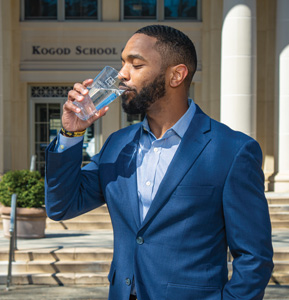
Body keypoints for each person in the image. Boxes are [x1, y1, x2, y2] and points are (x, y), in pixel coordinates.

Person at [45, 25, 274, 300]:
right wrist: (72, 133)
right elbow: (61, 206)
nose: (122, 75)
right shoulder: (118, 145)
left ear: (176, 75)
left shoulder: (232, 151)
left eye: (136, 64)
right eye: (122, 63)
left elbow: (254, 257)